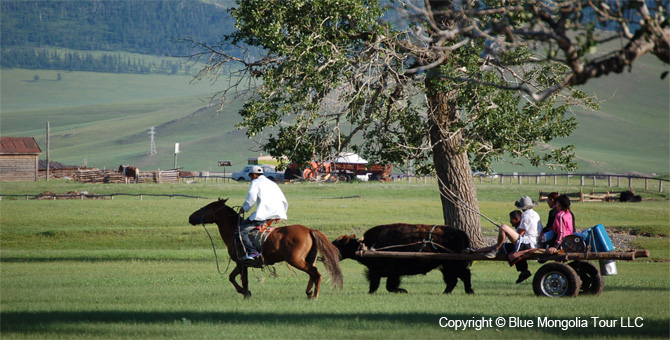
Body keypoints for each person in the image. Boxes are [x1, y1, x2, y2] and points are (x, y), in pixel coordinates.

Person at [470, 196, 543, 283]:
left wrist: (509, 234)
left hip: (527, 243)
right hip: (533, 243)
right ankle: (474, 251)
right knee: (500, 246)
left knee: (503, 227)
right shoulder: (535, 214)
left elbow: (521, 234)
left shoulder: (525, 216)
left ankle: (495, 250)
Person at [237, 165, 288, 262]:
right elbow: (283, 199)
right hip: (277, 213)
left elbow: (251, 197)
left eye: (251, 176)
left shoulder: (256, 182)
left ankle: (253, 252)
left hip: (264, 214)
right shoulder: (272, 183)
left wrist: (244, 208)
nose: (251, 178)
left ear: (255, 175)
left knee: (240, 231)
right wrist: (281, 214)